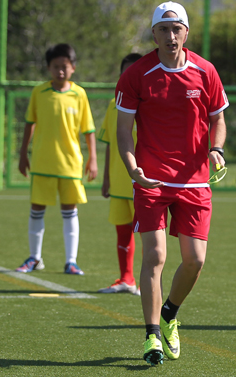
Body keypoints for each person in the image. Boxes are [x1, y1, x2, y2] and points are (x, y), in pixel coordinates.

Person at [116, 1, 228, 366]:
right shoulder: (137, 75)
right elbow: (122, 133)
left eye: (176, 28)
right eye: (163, 30)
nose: (170, 35)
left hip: (195, 182)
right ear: (154, 34)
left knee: (195, 261)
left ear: (186, 32)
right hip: (150, 179)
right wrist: (132, 168)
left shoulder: (206, 71)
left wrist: (216, 149)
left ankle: (169, 313)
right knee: (156, 256)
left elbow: (218, 119)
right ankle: (151, 336)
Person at [16, 43, 97, 275]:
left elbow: (88, 130)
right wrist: (23, 153)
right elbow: (29, 124)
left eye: (65, 66)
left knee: (69, 210)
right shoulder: (38, 92)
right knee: (37, 208)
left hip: (70, 164)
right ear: (48, 68)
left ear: (73, 68)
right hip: (42, 162)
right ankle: (34, 258)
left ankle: (71, 261)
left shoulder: (79, 94)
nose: (60, 70)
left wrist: (92, 159)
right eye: (55, 66)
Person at [97, 53, 142, 295]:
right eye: (125, 72)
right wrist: (106, 179)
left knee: (149, 237)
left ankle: (149, 283)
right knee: (122, 231)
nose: (129, 76)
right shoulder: (114, 103)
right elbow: (108, 143)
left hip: (143, 181)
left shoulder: (151, 102)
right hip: (118, 181)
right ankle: (126, 278)